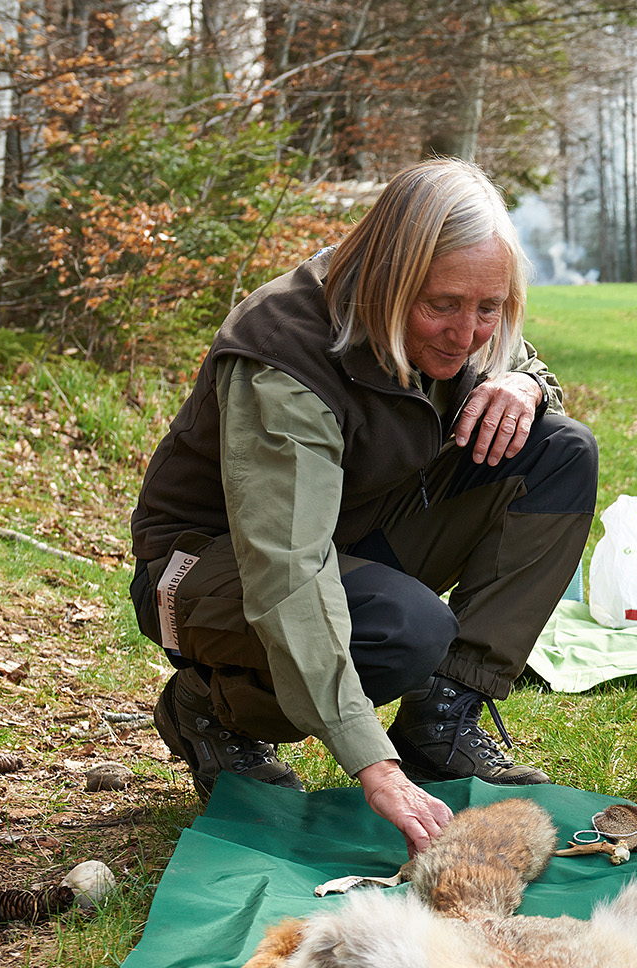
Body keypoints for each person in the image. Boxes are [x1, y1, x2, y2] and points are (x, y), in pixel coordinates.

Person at [129, 159, 598, 855]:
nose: (467, 334)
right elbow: (287, 572)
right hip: (208, 572)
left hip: (354, 530)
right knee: (403, 632)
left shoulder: (459, 309)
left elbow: (514, 356)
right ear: (387, 277)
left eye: (488, 308)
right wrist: (372, 764)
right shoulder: (283, 360)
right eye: (442, 306)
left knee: (559, 450)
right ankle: (212, 709)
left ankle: (440, 719)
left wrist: (525, 385)